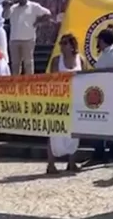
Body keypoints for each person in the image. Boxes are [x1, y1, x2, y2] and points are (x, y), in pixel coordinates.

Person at [85, 29, 113, 166]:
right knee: (98, 124)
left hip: (110, 94)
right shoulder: (104, 54)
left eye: (99, 40)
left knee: (111, 125)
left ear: (103, 40)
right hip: (100, 94)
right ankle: (98, 153)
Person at [46, 34, 83, 174]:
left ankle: (71, 163)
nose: (61, 46)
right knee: (54, 133)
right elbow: (52, 79)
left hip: (76, 100)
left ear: (72, 45)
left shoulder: (81, 60)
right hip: (59, 101)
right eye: (61, 43)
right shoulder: (56, 61)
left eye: (65, 43)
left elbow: (86, 78)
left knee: (74, 134)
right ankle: (51, 164)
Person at [6, 0, 51, 75]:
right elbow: (5, 16)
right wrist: (7, 7)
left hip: (28, 39)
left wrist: (38, 22)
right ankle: (15, 82)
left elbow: (48, 14)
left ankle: (29, 81)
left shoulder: (34, 6)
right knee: (15, 63)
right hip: (14, 39)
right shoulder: (13, 8)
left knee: (28, 63)